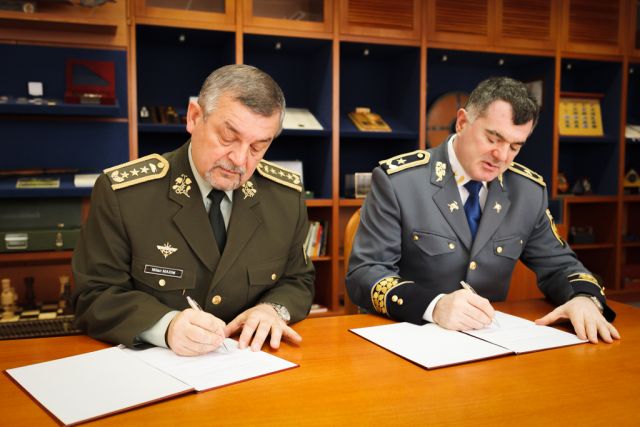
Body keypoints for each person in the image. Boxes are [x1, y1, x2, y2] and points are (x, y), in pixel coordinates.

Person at [346, 76, 620, 344]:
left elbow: (561, 265)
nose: (502, 156)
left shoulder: (527, 191)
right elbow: (365, 273)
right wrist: (434, 305)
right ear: (462, 122)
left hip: (489, 341)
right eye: (493, 139)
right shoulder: (399, 182)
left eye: (515, 146)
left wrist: (584, 299)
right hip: (407, 337)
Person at [73, 64, 315, 356]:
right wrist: (166, 325)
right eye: (228, 137)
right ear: (194, 117)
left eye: (257, 147)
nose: (240, 160)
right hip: (157, 365)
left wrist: (272, 309)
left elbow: (298, 279)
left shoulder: (285, 197)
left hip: (252, 360)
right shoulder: (124, 195)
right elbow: (94, 295)